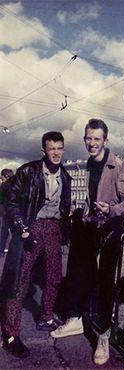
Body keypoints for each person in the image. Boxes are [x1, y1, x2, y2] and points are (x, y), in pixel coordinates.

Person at [51, 118, 124, 365]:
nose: (91, 143)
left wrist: (111, 210)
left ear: (105, 140)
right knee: (79, 273)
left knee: (105, 282)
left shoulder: (117, 166)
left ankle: (103, 336)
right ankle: (75, 319)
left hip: (110, 229)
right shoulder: (87, 164)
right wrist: (83, 211)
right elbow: (90, 195)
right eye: (88, 138)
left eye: (96, 139)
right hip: (89, 226)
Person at [0, 131, 71, 358]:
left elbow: (64, 207)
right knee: (20, 281)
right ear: (44, 151)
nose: (56, 153)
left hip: (53, 229)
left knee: (54, 277)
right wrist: (22, 229)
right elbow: (11, 201)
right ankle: (11, 335)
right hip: (31, 227)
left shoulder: (66, 176)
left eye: (60, 148)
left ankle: (46, 316)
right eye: (52, 149)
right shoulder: (28, 172)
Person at [0, 169, 14, 256]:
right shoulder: (17, 185)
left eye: (1, 175)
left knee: (3, 232)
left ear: (5, 176)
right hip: (14, 212)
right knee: (15, 232)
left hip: (5, 212)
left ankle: (1, 250)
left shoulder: (3, 185)